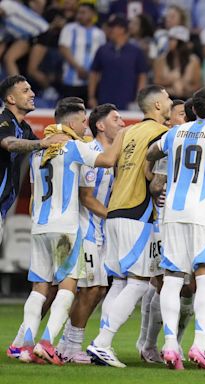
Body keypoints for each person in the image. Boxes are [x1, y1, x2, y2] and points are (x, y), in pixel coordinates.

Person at [145, 86, 205, 371]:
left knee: (173, 277)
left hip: (173, 213)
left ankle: (169, 345)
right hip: (204, 215)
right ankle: (200, 346)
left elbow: (152, 153)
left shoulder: (175, 132)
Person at [17, 102, 125, 365]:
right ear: (73, 124)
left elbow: (32, 195)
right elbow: (108, 159)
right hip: (66, 226)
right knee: (68, 286)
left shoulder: (37, 154)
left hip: (39, 226)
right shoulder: (76, 147)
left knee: (40, 289)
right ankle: (46, 344)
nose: (84, 125)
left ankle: (25, 347)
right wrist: (124, 134)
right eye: (82, 121)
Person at [86, 85, 171, 368]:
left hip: (115, 211)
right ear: (158, 105)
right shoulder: (161, 135)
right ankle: (102, 342)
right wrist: (160, 187)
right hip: (138, 212)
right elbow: (152, 175)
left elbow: (109, 162)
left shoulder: (127, 131)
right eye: (168, 98)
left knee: (119, 282)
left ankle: (100, 343)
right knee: (138, 283)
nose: (170, 101)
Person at [56, 104, 125, 364]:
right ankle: (69, 346)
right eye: (116, 119)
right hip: (86, 229)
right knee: (90, 289)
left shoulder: (111, 155)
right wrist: (114, 215)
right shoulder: (90, 152)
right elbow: (86, 197)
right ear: (100, 125)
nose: (122, 122)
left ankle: (66, 343)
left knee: (96, 290)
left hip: (102, 232)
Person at [0, 76, 66, 243]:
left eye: (30, 89)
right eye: (25, 90)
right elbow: (10, 143)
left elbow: (45, 149)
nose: (32, 94)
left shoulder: (23, 128)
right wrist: (43, 142)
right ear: (11, 99)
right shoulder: (3, 120)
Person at [88, 14, 148, 110]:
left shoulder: (136, 51)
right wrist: (91, 97)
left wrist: (138, 98)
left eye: (113, 27)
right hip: (104, 100)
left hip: (127, 100)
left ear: (122, 29)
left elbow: (142, 76)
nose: (110, 30)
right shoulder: (103, 50)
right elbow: (93, 73)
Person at [59, 3, 105, 104]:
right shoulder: (70, 28)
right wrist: (78, 68)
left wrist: (94, 75)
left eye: (83, 13)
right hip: (71, 81)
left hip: (92, 83)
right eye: (79, 13)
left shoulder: (100, 34)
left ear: (93, 14)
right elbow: (63, 49)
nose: (80, 15)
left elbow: (102, 57)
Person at [153, 26, 201, 100]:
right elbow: (156, 82)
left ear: (181, 42)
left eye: (172, 39)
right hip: (166, 99)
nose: (169, 42)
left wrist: (184, 87)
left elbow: (197, 85)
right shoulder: (161, 59)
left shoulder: (194, 61)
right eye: (169, 39)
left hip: (187, 99)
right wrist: (171, 81)